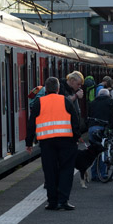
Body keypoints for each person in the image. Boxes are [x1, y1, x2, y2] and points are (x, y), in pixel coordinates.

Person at [26, 77, 81, 210]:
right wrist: (77, 137)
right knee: (66, 170)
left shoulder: (39, 103)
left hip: (47, 143)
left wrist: (29, 143)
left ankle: (52, 202)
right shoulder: (65, 101)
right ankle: (63, 201)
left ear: (46, 89)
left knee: (50, 172)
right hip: (66, 141)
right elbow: (75, 120)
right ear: (57, 88)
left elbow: (31, 123)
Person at [87, 87, 113, 180]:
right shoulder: (110, 102)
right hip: (102, 129)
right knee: (104, 151)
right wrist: (112, 127)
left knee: (95, 152)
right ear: (108, 95)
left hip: (92, 129)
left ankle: (94, 174)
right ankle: (103, 174)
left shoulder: (92, 103)